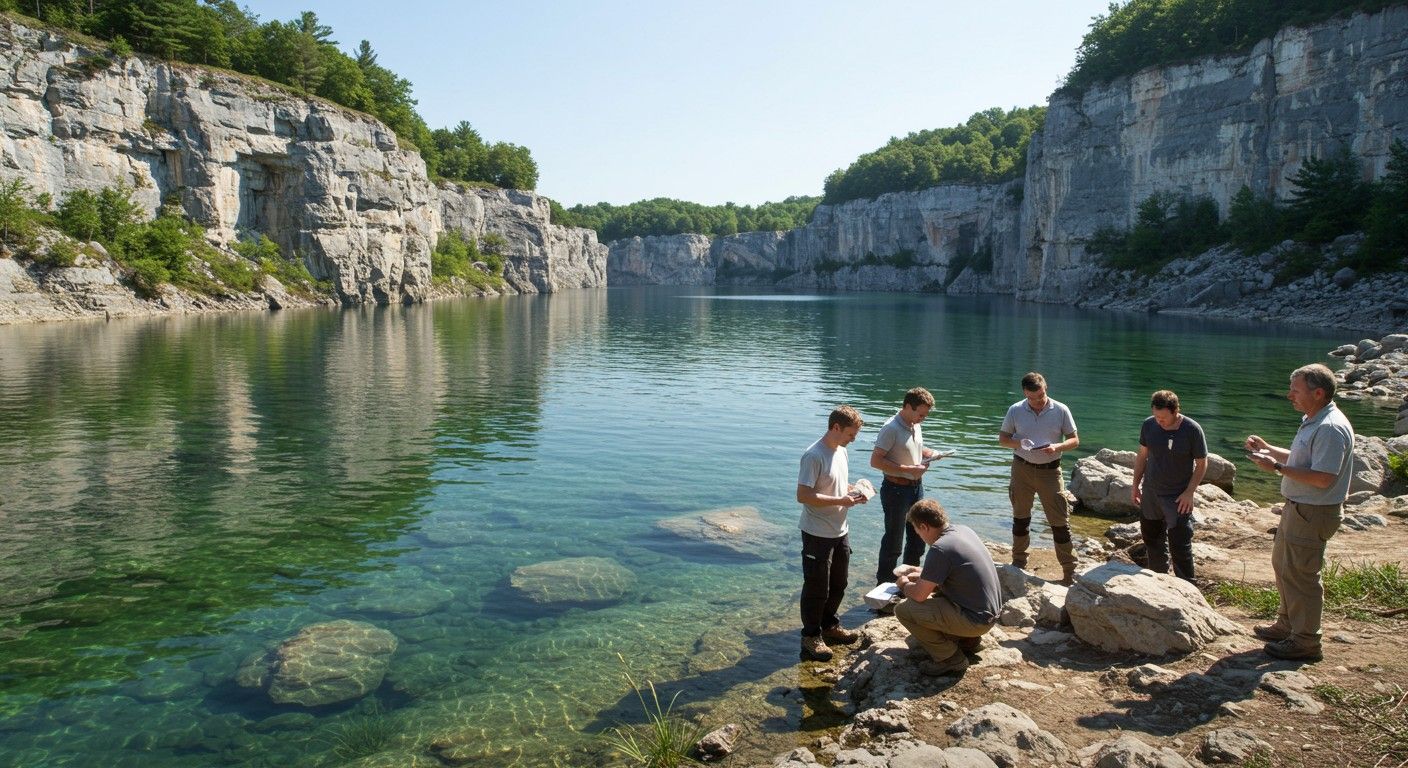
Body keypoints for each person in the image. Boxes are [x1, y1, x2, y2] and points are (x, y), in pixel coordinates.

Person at [1245, 363, 1355, 661]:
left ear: (1318, 393)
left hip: (1313, 512)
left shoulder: (1330, 428)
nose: (1289, 395)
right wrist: (1270, 450)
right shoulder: (1313, 418)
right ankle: (1287, 624)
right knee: (1283, 566)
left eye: (1295, 390)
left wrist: (1277, 468)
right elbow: (1303, 460)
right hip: (1299, 509)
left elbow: (1323, 478)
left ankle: (1306, 641)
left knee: (1302, 575)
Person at [893, 498, 1002, 676]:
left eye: (917, 531)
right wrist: (918, 571)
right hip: (988, 614)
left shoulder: (940, 549)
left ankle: (950, 659)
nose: (919, 536)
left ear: (924, 527)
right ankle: (968, 640)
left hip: (975, 620)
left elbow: (919, 595)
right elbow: (955, 570)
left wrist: (903, 584)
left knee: (904, 610)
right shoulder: (963, 531)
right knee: (938, 595)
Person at [796, 405, 869, 662]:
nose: (854, 438)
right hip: (817, 532)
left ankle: (829, 626)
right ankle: (811, 636)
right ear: (836, 427)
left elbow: (834, 485)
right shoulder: (813, 455)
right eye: (851, 433)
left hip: (840, 529)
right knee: (817, 586)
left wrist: (853, 491)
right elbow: (803, 495)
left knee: (839, 583)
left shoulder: (841, 451)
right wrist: (841, 498)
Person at [997, 372, 1080, 583]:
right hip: (1021, 470)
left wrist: (1057, 446)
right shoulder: (1015, 410)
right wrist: (1019, 443)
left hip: (1050, 472)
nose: (1037, 402)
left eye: (1041, 396)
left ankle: (1070, 571)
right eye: (1032, 398)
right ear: (1025, 393)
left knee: (1060, 521)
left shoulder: (1061, 409)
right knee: (1020, 517)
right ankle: (1018, 563)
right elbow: (1003, 439)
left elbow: (1074, 440)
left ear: (1046, 388)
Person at [1131, 390, 1208, 582]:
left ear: (1175, 411)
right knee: (1152, 540)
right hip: (1151, 493)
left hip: (1178, 496)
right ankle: (1159, 581)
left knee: (1179, 544)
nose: (1159, 421)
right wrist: (1135, 485)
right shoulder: (1149, 425)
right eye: (1156, 416)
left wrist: (1189, 492)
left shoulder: (1192, 429)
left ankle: (1188, 587)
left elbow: (1202, 463)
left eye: (1163, 418)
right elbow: (1142, 455)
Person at [870, 387, 942, 585]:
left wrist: (930, 453)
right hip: (895, 489)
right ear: (908, 407)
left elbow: (914, 448)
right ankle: (884, 585)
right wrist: (908, 470)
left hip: (916, 488)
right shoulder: (890, 428)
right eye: (921, 414)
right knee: (893, 542)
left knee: (919, 538)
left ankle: (908, 582)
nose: (923, 419)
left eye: (925, 415)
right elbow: (875, 461)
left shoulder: (914, 424)